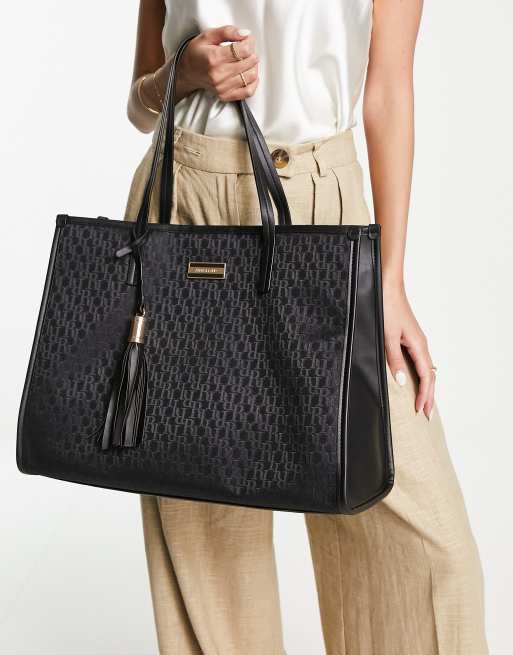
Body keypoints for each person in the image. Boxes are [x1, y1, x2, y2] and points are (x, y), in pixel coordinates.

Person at [124, 2, 488, 653]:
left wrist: (389, 281)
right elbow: (141, 104)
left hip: (323, 208)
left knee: (434, 551)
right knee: (206, 542)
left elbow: (388, 90)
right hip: (187, 208)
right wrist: (187, 71)